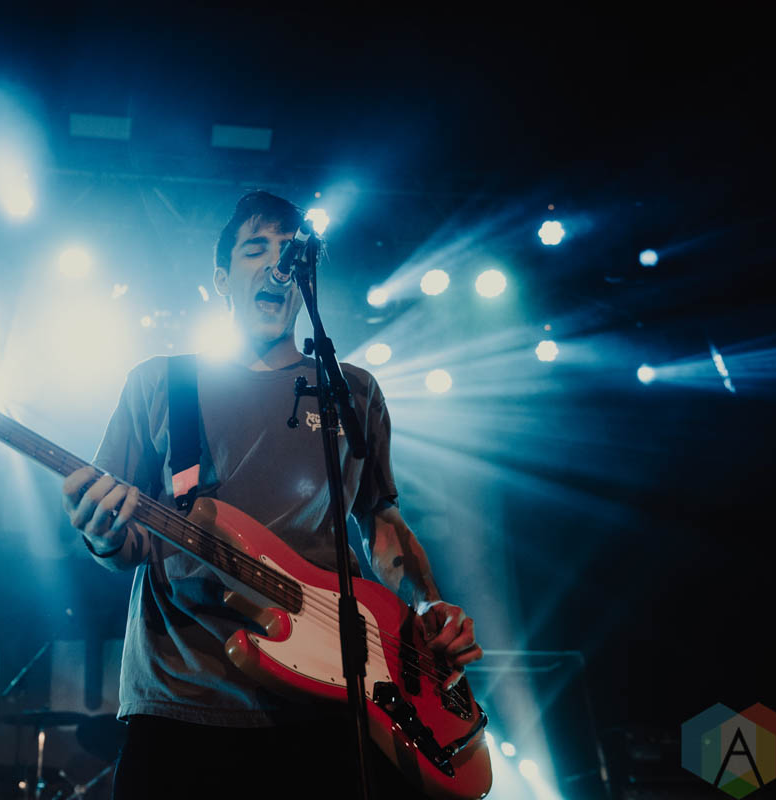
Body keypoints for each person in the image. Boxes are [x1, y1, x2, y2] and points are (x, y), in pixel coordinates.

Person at [61, 191, 482, 799]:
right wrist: (101, 534)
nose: (276, 264)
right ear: (221, 279)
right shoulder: (162, 383)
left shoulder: (352, 391)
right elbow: (127, 542)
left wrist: (427, 603)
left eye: (289, 251)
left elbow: (381, 521)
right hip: (184, 697)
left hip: (333, 701)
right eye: (255, 249)